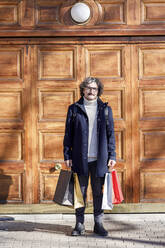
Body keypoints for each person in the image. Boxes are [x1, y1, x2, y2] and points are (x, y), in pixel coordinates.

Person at [63, 77, 116, 237]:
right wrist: (67, 155)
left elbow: (111, 134)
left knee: (98, 193)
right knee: (81, 193)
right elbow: (68, 135)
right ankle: (79, 224)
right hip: (80, 159)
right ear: (83, 90)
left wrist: (112, 154)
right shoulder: (74, 109)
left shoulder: (106, 110)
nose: (91, 91)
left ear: (98, 90)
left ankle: (98, 224)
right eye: (88, 88)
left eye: (94, 88)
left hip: (99, 159)